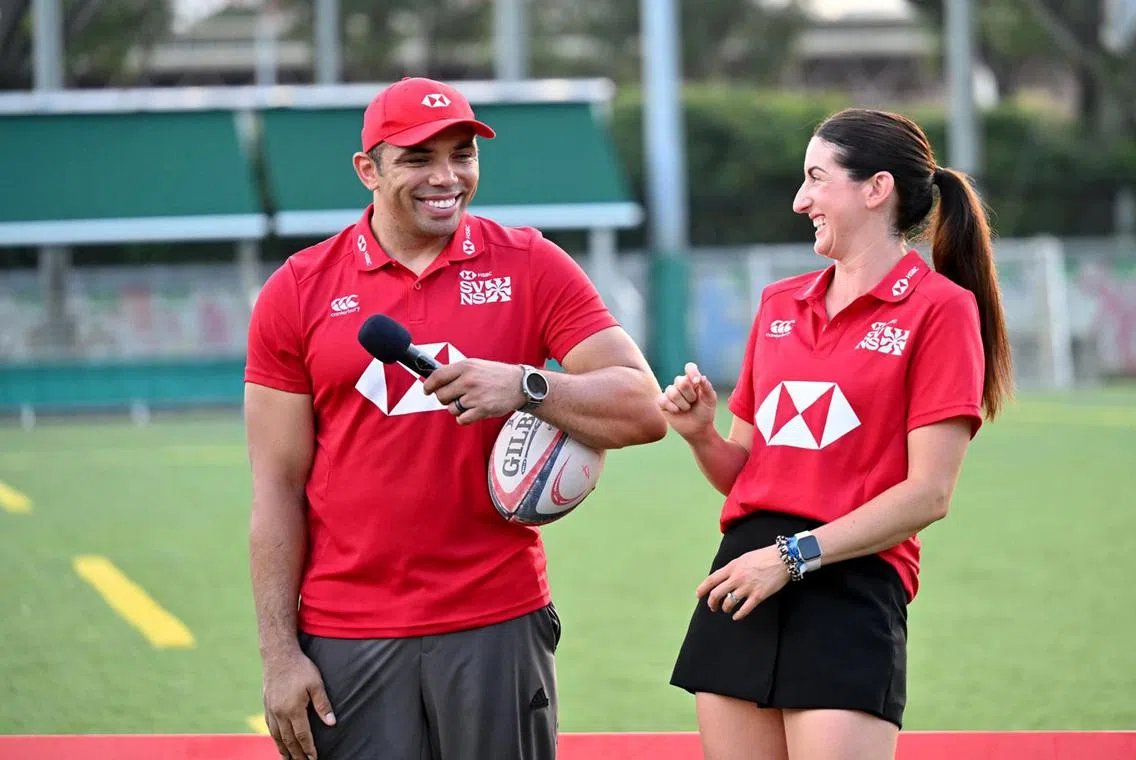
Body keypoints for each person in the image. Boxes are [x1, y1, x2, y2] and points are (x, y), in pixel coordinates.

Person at [243, 76, 666, 760]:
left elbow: (643, 407)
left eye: (462, 154)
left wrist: (527, 385)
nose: (447, 176)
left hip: (496, 621)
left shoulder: (531, 264)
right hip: (348, 633)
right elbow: (275, 487)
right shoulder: (297, 290)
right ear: (368, 170)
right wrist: (278, 656)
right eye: (418, 158)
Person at [659, 108, 1014, 760]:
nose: (801, 201)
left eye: (817, 179)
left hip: (849, 585)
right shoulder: (777, 305)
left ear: (876, 189)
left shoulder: (942, 310)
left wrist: (791, 557)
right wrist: (700, 436)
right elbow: (746, 474)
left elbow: (928, 495)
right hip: (742, 581)